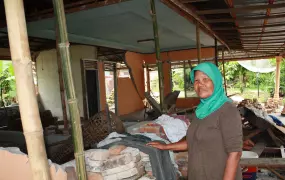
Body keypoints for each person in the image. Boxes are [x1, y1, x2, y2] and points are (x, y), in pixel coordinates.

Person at [148, 62, 243, 180]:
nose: (200, 84)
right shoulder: (200, 111)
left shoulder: (227, 110)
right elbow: (193, 141)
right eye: (196, 81)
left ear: (216, 81)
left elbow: (235, 153)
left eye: (205, 79)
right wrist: (166, 146)